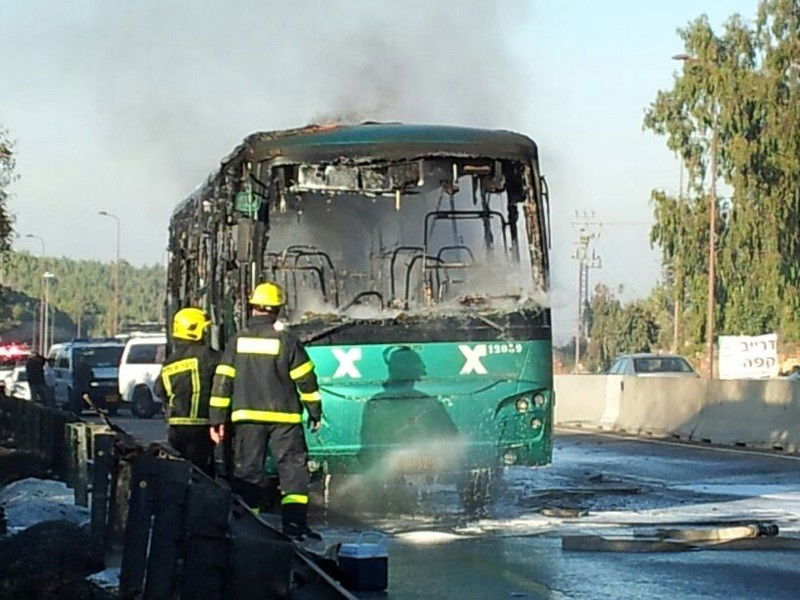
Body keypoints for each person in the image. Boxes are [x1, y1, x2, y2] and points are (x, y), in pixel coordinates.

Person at [209, 281, 323, 541]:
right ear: (277, 310)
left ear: (253, 308)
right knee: (293, 472)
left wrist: (217, 419)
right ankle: (295, 527)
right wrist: (315, 411)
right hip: (285, 420)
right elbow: (306, 379)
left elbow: (222, 382)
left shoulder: (237, 342)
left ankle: (247, 531)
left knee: (248, 474)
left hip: (247, 419)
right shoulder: (287, 341)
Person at [153, 307, 219, 476]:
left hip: (176, 428)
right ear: (195, 331)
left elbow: (159, 390)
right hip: (202, 427)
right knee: (203, 474)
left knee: (182, 472)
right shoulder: (208, 356)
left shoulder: (169, 362)